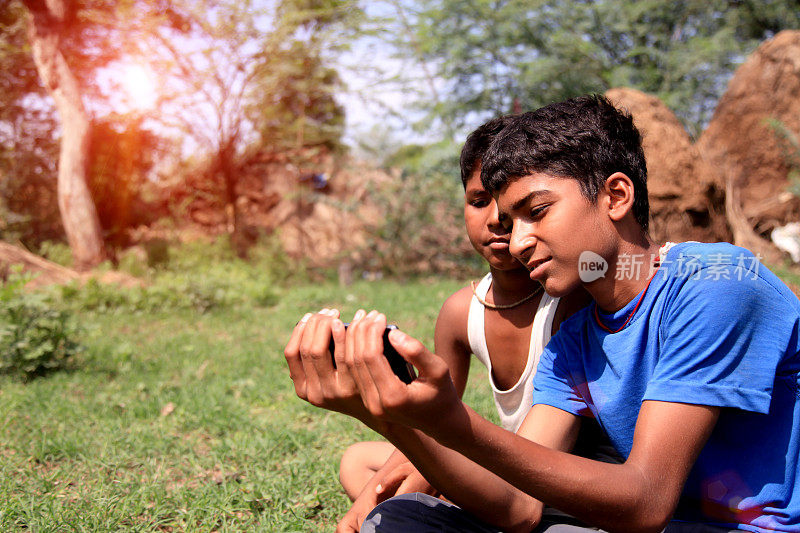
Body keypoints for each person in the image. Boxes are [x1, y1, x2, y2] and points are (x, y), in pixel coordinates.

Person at [285, 95, 800, 532]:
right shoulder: (573, 342)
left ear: (616, 195)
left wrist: (452, 420)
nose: (519, 239)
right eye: (509, 219)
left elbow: (645, 499)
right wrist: (389, 414)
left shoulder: (714, 282)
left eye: (537, 211)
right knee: (405, 520)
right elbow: (519, 506)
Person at [336, 116, 599, 530]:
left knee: (410, 488)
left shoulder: (568, 298)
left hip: (565, 474)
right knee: (358, 463)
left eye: (518, 207)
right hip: (504, 461)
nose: (495, 219)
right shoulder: (463, 311)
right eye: (478, 201)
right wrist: (379, 490)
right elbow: (436, 416)